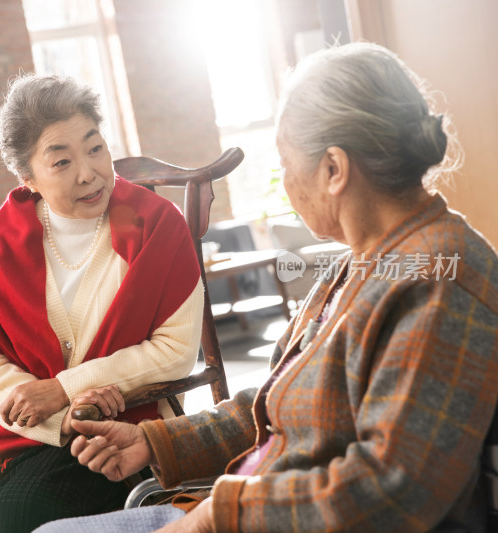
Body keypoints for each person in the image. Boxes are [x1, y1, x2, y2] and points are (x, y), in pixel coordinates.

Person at [34, 42, 498, 533]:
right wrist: (155, 442)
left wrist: (217, 517)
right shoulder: (363, 263)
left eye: (286, 159)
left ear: (334, 170)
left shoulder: (439, 283)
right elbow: (281, 398)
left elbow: (393, 491)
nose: (284, 177)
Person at [0, 75, 204, 533]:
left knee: (18, 513)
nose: (88, 172)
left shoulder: (156, 226)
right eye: (61, 161)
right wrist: (59, 416)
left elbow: (175, 352)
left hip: (119, 431)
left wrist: (62, 389)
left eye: (95, 148)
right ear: (28, 178)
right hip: (17, 435)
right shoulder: (0, 242)